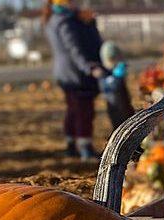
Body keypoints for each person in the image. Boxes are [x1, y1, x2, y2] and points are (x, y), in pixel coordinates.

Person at [43, 0, 104, 159]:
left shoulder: (56, 19)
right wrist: (90, 68)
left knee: (73, 109)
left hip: (66, 72)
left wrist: (88, 23)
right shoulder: (65, 23)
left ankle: (71, 144)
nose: (76, 4)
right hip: (75, 73)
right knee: (84, 111)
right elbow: (74, 49)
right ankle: (85, 148)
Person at [99, 41, 134, 130]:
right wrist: (117, 76)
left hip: (125, 105)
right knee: (118, 127)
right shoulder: (104, 74)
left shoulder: (117, 70)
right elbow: (111, 86)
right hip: (114, 107)